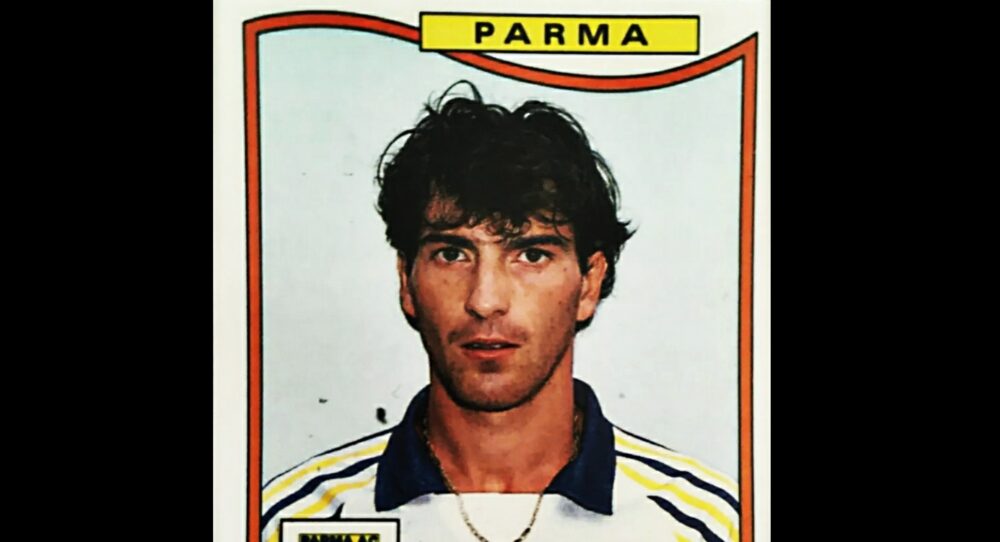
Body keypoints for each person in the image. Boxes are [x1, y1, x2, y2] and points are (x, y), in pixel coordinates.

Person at [261, 82, 739, 542]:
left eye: (531, 255)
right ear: (407, 280)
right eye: (452, 254)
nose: (485, 300)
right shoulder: (293, 521)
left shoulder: (709, 526)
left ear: (589, 283)